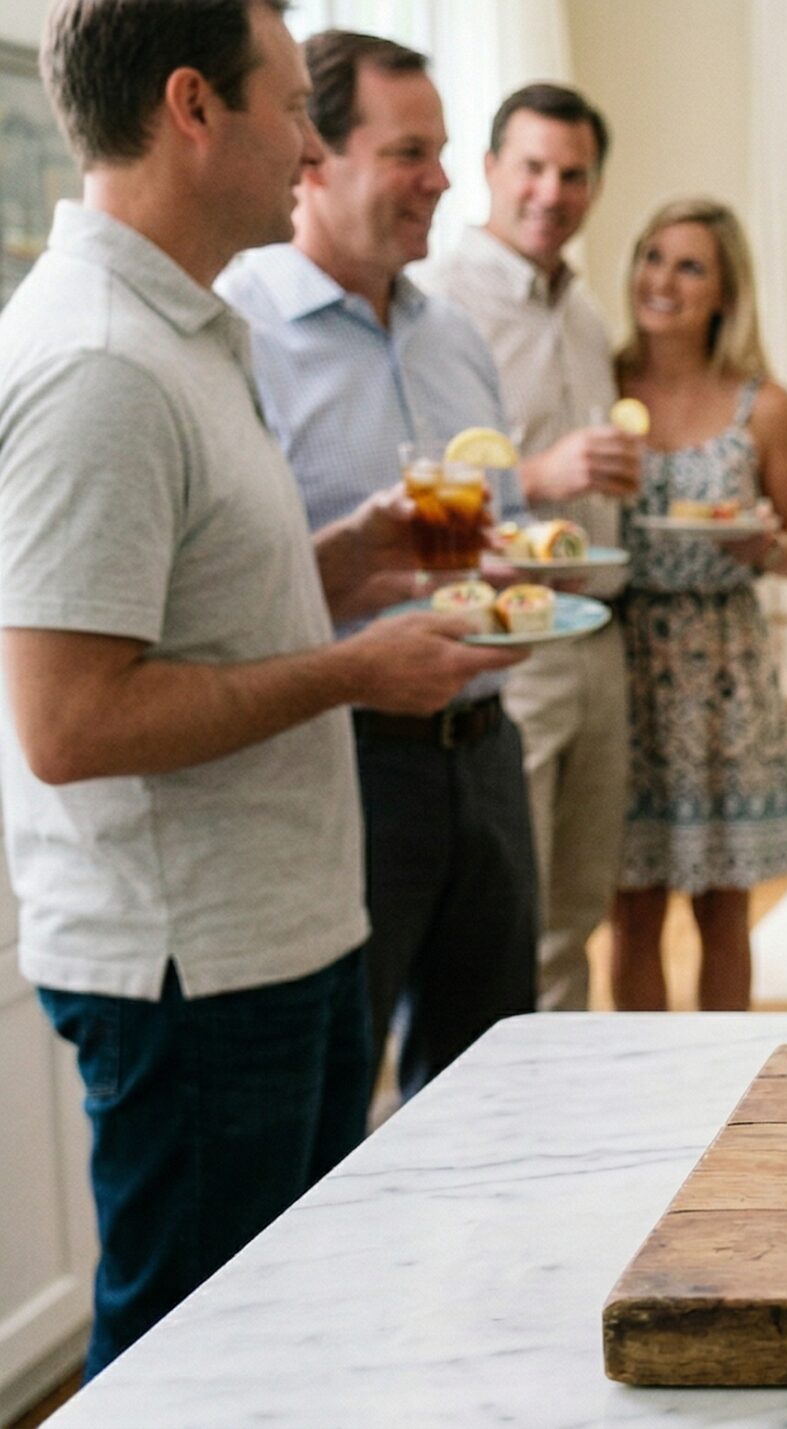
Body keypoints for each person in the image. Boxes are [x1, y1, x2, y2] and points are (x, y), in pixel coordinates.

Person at [0, 0, 516, 1373]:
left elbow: (199, 612)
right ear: (191, 107)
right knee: (197, 1367)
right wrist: (353, 669)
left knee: (286, 1346)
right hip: (196, 968)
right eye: (291, 106)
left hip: (278, 933)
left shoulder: (184, 328)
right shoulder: (99, 362)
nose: (308, 143)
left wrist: (349, 557)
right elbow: (69, 721)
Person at [219, 30, 539, 1095]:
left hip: (489, 752)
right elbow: (226, 596)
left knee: (489, 1088)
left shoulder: (454, 337)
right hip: (342, 762)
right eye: (411, 151)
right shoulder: (236, 334)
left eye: (441, 149)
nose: (444, 179)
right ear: (315, 153)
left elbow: (512, 534)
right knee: (333, 1096)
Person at [414, 82, 639, 1015]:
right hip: (511, 645)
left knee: (579, 908)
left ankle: (568, 1125)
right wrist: (538, 476)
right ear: (490, 170)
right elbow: (416, 483)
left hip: (599, 639)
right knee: (513, 917)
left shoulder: (584, 314)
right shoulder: (437, 304)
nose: (552, 191)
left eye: (574, 174)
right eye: (534, 167)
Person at [609, 198, 787, 1011]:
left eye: (690, 266)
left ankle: (722, 1086)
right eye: (652, 257)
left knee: (724, 910)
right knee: (630, 909)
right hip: (621, 661)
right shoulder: (600, 383)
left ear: (726, 292)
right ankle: (640, 1089)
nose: (662, 280)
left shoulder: (762, 406)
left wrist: (759, 544)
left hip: (724, 670)